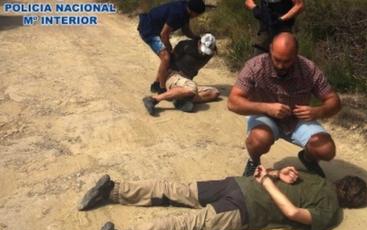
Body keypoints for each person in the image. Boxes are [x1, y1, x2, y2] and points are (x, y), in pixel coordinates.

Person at [76, 165, 367, 230]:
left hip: (236, 185)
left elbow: (288, 188)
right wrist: (270, 178)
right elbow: (291, 211)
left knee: (175, 190)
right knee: (185, 224)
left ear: (342, 183)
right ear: (352, 202)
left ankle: (114, 190)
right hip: (244, 207)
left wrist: (272, 174)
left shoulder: (320, 181)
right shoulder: (330, 209)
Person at [227, 32, 341, 177]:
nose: (281, 65)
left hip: (297, 119)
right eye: (277, 59)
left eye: (287, 61)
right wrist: (266, 107)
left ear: (296, 55)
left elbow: (334, 100)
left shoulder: (308, 69)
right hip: (265, 117)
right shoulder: (254, 67)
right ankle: (254, 162)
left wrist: (318, 111)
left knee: (326, 150)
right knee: (258, 139)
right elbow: (232, 102)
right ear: (270, 50)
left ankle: (308, 158)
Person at [138, 0, 206, 95]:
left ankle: (156, 83)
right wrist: (169, 48)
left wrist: (196, 38)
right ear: (193, 11)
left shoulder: (186, 10)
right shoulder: (177, 13)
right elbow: (164, 34)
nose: (197, 16)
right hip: (149, 30)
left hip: (156, 29)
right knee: (166, 57)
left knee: (168, 57)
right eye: (197, 14)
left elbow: (185, 30)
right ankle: (161, 89)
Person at [142, 33, 220, 116]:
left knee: (214, 93)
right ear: (199, 42)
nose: (204, 53)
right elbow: (167, 63)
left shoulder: (210, 53)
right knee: (191, 88)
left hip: (185, 81)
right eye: (203, 49)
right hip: (173, 76)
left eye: (207, 51)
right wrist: (159, 83)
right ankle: (154, 99)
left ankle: (180, 98)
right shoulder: (185, 46)